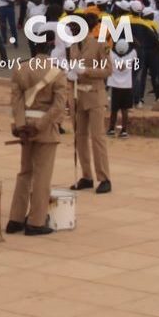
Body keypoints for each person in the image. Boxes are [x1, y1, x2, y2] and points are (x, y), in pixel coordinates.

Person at [6, 27, 68, 235]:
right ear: (50, 47)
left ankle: (15, 219)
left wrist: (21, 125)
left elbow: (16, 102)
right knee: (42, 177)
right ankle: (36, 221)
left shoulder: (21, 69)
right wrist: (39, 126)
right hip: (44, 129)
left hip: (25, 129)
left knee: (25, 173)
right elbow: (59, 106)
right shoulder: (57, 72)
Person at [68, 14, 113, 195]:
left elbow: (108, 70)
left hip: (94, 95)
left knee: (97, 138)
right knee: (79, 137)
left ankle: (104, 177)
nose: (72, 31)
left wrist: (87, 71)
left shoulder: (99, 45)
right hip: (78, 96)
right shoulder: (73, 46)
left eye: (75, 28)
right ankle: (87, 176)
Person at [107, 39, 138, 136]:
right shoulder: (131, 56)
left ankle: (111, 129)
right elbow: (136, 47)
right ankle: (124, 130)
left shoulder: (112, 56)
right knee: (125, 109)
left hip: (115, 86)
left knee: (114, 110)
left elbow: (106, 48)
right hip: (127, 86)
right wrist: (132, 39)